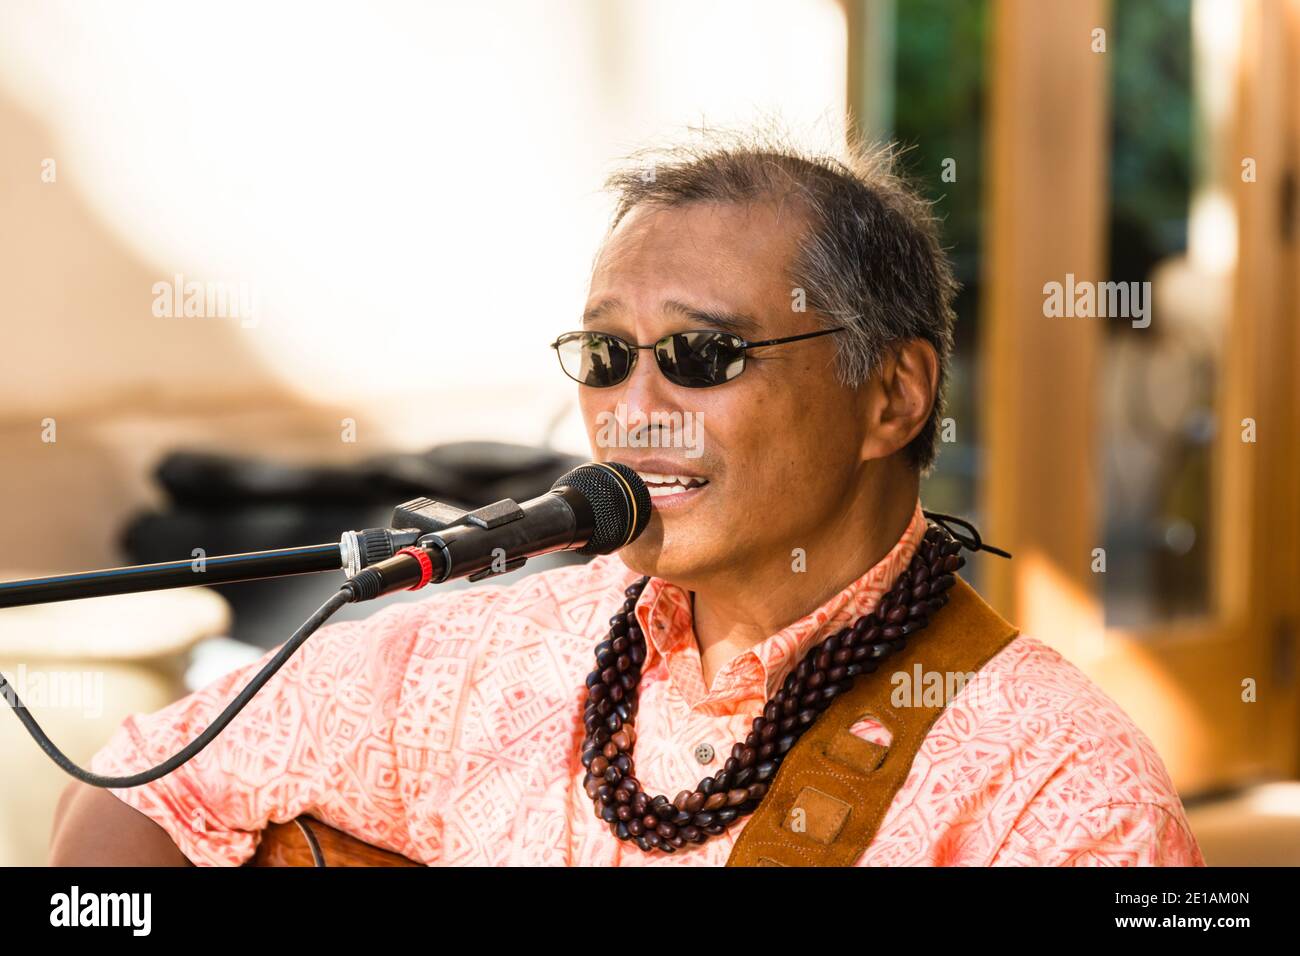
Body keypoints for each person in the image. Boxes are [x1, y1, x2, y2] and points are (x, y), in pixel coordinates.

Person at [49, 133, 1203, 866]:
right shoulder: (485, 661)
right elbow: (147, 778)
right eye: (604, 356)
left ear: (891, 396)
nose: (633, 405)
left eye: (700, 356)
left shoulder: (1056, 793)